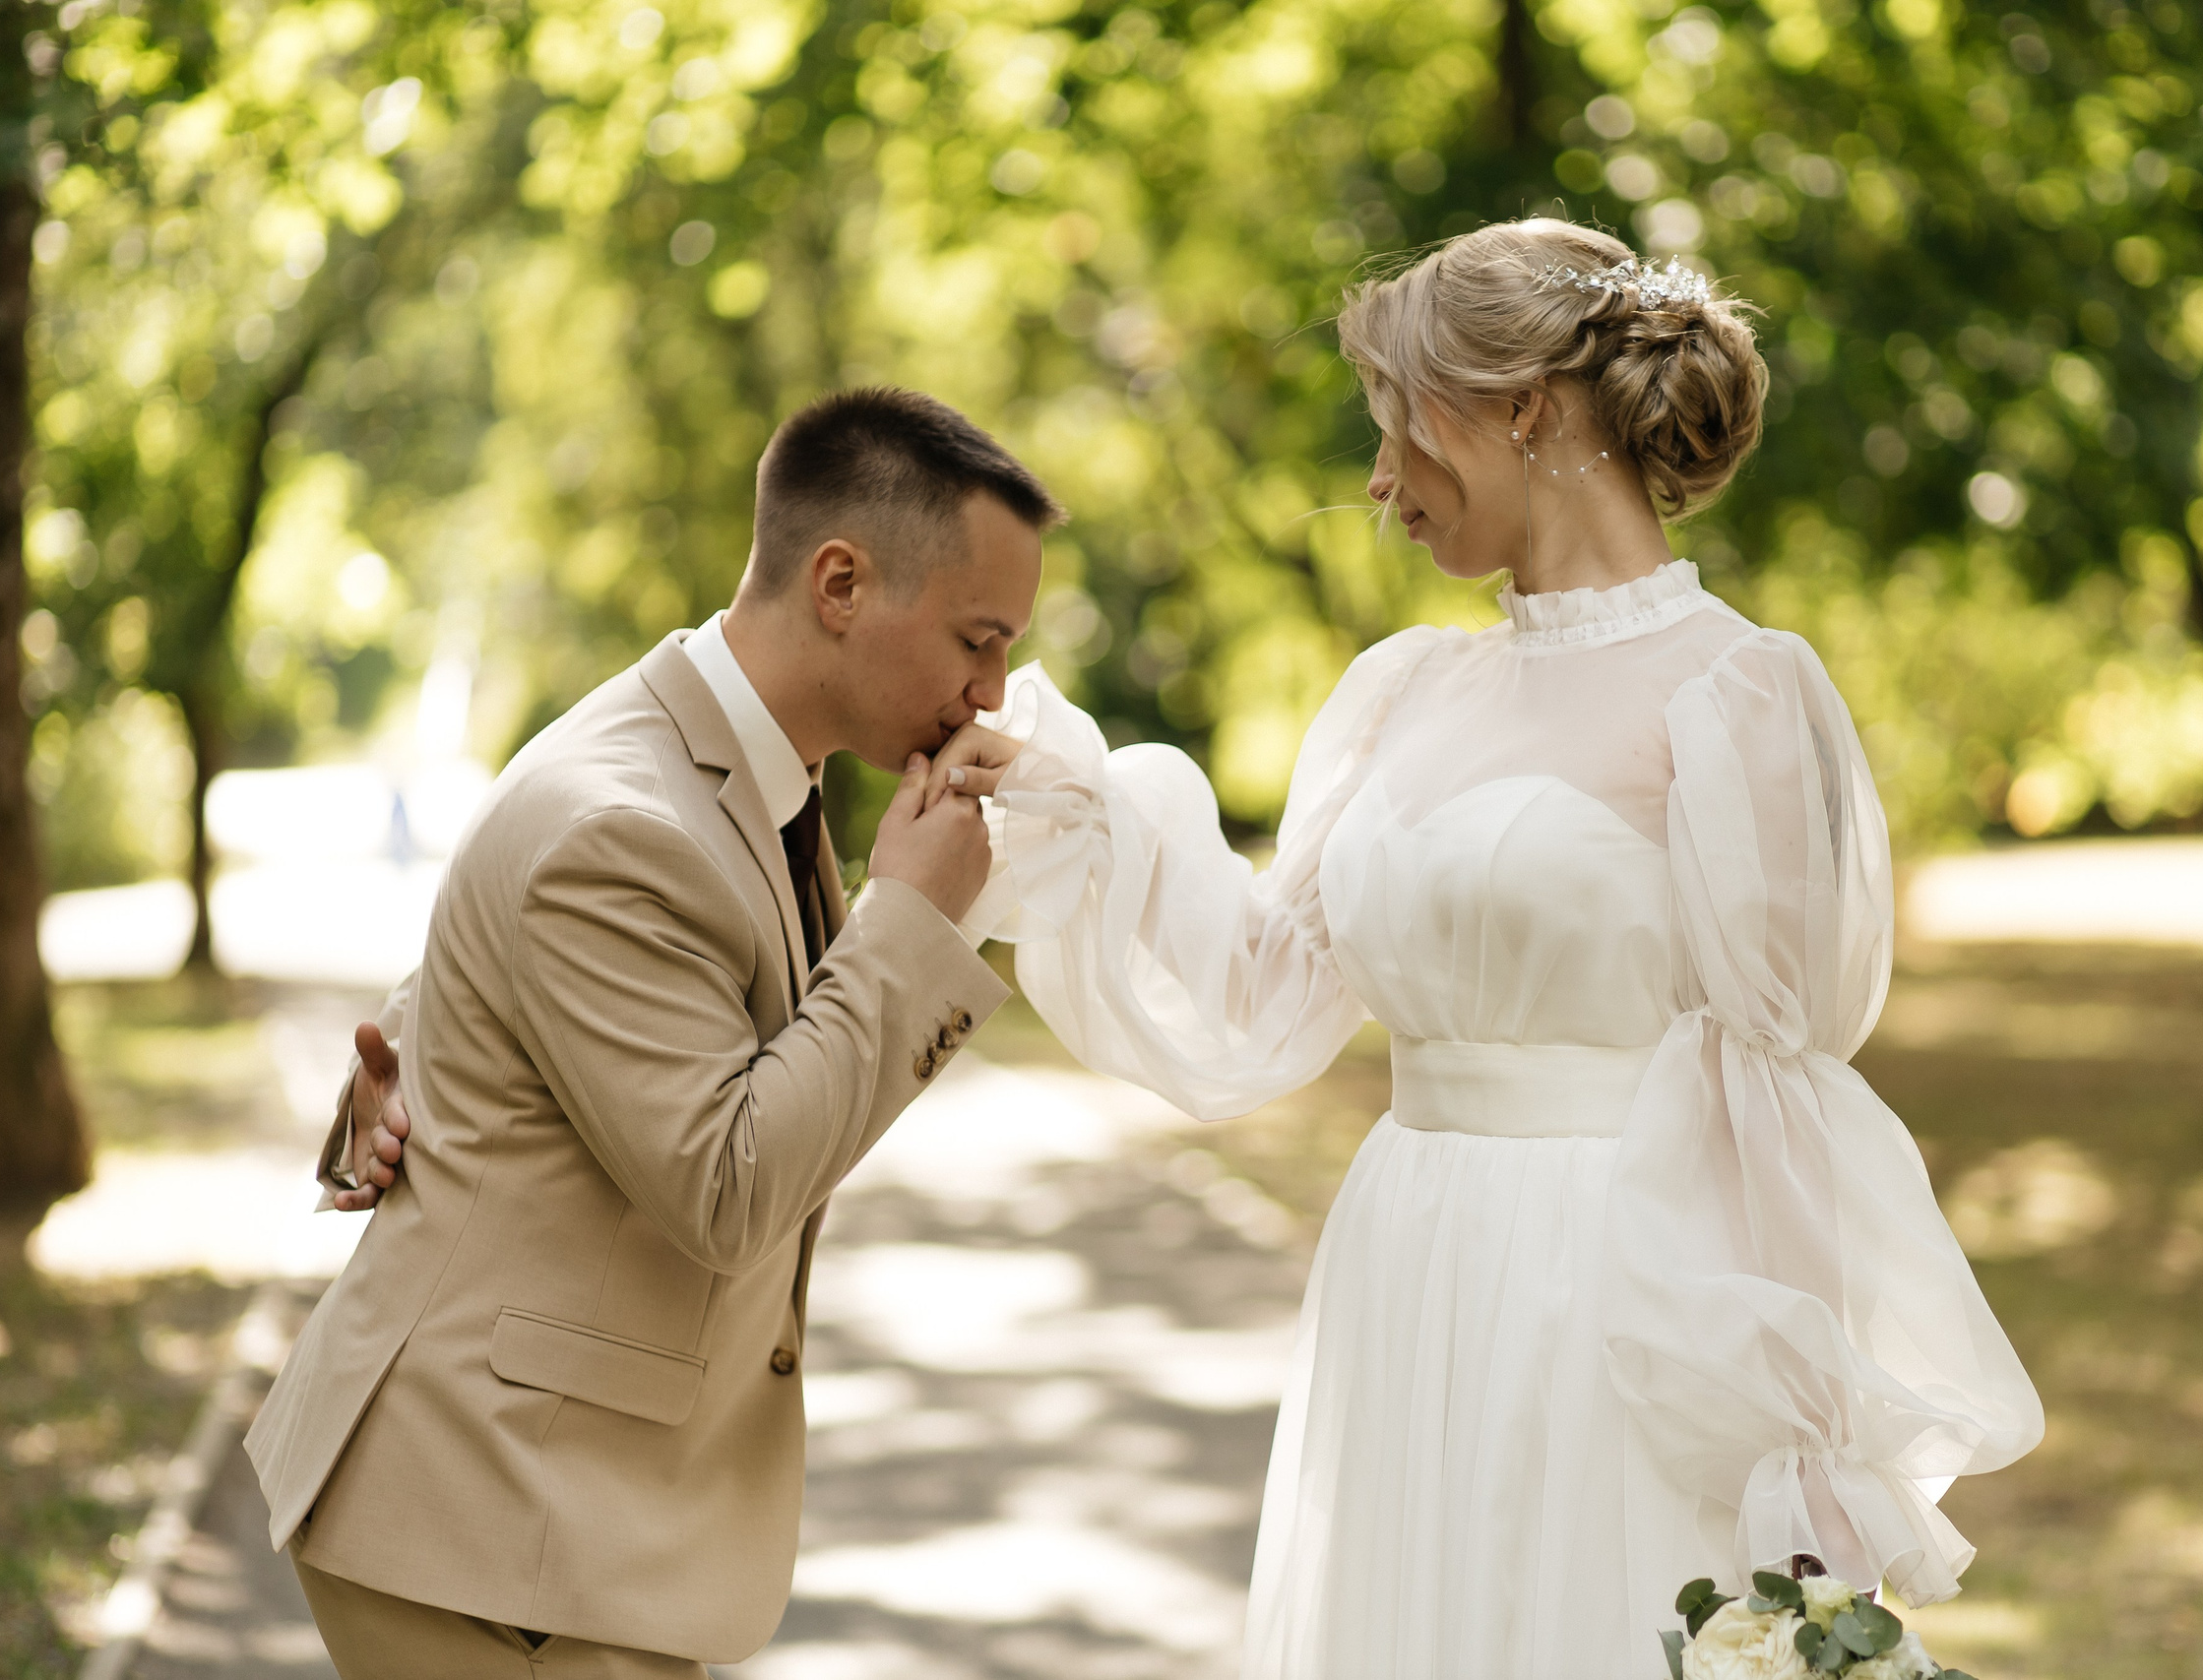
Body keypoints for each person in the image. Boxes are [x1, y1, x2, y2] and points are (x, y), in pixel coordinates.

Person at [955, 218, 2046, 1677]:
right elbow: (1269, 982)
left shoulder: (1737, 698)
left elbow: (1778, 1092)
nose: (1380, 479)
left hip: (1615, 1295)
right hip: (1408, 1272)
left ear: (1522, 405)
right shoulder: (1406, 695)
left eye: (1400, 427)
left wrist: (1807, 1455)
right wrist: (1074, 802)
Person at [247, 387, 1060, 1678]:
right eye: (979, 637)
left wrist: (404, 1084)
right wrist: (910, 923)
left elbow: (480, 1009)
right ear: (840, 583)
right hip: (486, 1533)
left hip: (575, 1534)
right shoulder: (623, 814)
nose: (993, 690)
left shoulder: (726, 774)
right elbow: (729, 1188)